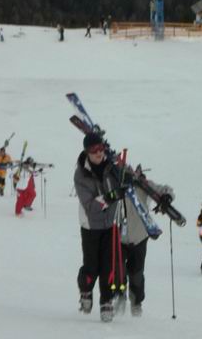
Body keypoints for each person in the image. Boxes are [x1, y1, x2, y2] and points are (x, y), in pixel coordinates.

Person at [74, 132, 123, 322]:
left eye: (101, 148)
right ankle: (86, 291)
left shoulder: (111, 167)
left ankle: (106, 301)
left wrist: (125, 183)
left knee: (108, 266)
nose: (98, 153)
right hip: (90, 225)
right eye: (94, 150)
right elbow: (90, 207)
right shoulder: (81, 174)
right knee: (91, 267)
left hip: (110, 224)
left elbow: (124, 179)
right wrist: (110, 197)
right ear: (87, 152)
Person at [120, 168, 173, 316]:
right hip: (118, 238)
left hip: (139, 237)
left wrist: (167, 196)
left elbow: (165, 189)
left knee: (136, 273)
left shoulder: (142, 185)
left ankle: (136, 302)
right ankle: (119, 296)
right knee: (118, 271)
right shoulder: (115, 185)